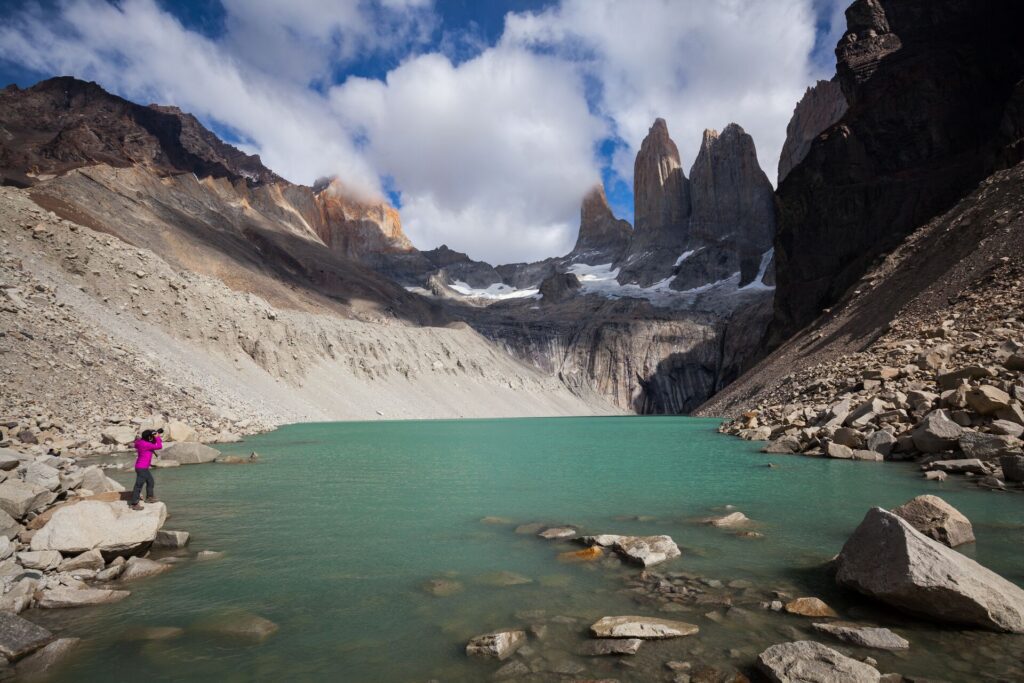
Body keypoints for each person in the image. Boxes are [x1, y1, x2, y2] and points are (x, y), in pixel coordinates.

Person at [130, 428, 163, 510]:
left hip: (142, 467)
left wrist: (154, 435)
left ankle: (149, 497)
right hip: (142, 468)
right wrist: (157, 437)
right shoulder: (146, 445)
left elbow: (137, 443)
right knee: (138, 485)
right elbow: (159, 446)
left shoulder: (140, 442)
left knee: (150, 481)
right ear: (149, 437)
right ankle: (134, 504)